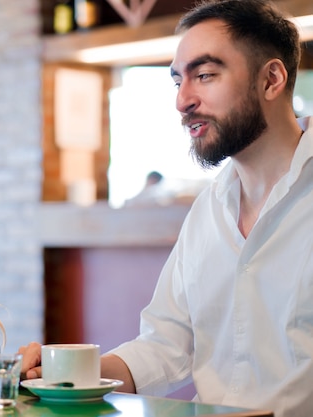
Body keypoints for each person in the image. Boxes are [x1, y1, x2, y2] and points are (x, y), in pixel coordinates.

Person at [20, 1, 313, 416]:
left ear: (271, 79)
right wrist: (69, 373)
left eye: (205, 75)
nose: (183, 100)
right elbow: (166, 346)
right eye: (178, 81)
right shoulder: (207, 211)